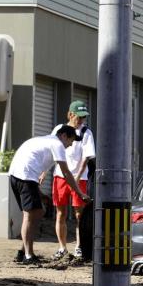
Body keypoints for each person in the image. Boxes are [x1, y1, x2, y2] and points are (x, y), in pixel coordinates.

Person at [8, 125, 90, 264]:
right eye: (70, 140)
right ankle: (27, 256)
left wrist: (39, 194)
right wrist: (80, 193)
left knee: (38, 212)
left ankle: (24, 251)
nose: (70, 145)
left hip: (16, 176)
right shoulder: (57, 144)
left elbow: (33, 168)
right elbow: (66, 173)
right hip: (25, 177)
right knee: (31, 215)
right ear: (63, 135)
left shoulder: (44, 141)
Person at [40, 101, 95, 261]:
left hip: (81, 177)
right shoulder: (59, 129)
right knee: (60, 212)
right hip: (60, 176)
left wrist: (77, 176)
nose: (82, 120)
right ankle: (62, 247)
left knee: (80, 214)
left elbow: (87, 155)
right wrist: (44, 171)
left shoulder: (86, 133)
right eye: (79, 117)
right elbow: (51, 151)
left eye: (84, 117)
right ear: (70, 115)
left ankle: (79, 247)